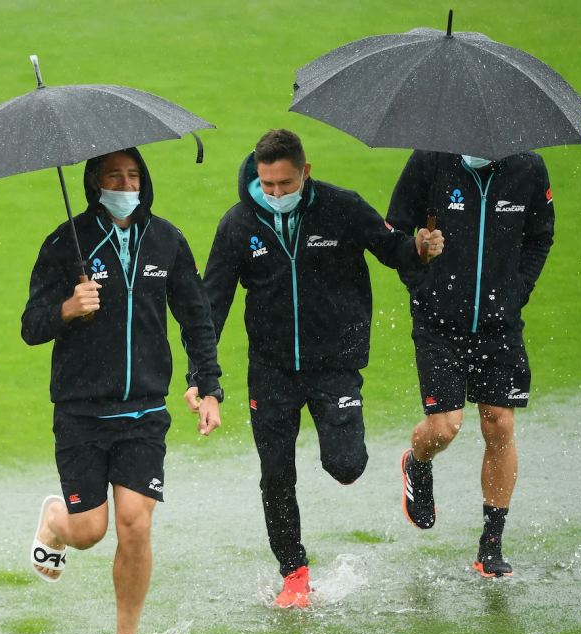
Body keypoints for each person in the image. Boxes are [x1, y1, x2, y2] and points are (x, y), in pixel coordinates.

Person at [186, 129, 442, 607]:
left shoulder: (342, 207)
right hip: (271, 370)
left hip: (336, 366)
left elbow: (392, 248)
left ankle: (401, 466)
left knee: (346, 467)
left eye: (285, 183)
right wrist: (204, 380)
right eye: (267, 185)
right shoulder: (238, 225)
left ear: (305, 172)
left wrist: (419, 250)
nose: (276, 194)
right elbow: (210, 307)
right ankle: (294, 572)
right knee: (276, 473)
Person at [21, 148, 223, 634]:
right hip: (81, 414)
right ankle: (55, 522)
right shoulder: (65, 243)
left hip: (144, 412)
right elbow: (31, 324)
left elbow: (196, 316)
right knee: (89, 531)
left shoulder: (167, 240)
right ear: (93, 182)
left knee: (134, 526)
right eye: (114, 175)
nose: (126, 183)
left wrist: (208, 386)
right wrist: (68, 308)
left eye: (133, 175)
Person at [387, 150, 554, 577]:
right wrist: (419, 266)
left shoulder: (528, 168)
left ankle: (491, 545)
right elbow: (393, 228)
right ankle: (417, 462)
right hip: (438, 325)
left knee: (499, 423)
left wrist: (518, 291)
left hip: (500, 326)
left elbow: (540, 236)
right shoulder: (431, 161)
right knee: (445, 427)